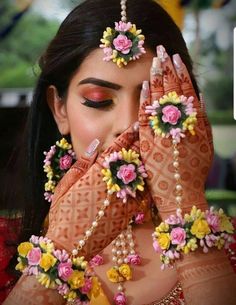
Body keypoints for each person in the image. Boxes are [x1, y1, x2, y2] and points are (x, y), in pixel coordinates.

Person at [2, 0, 236, 304]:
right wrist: (61, 246)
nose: (128, 124)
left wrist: (185, 210)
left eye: (152, 103)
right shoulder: (5, 248)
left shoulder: (226, 253)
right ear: (59, 109)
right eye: (98, 100)